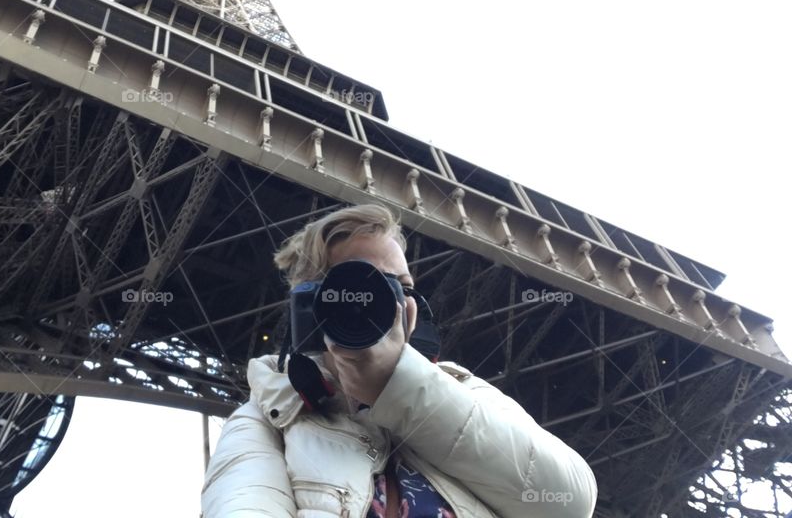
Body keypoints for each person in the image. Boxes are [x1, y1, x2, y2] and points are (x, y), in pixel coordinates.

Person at [201, 204, 597, 517]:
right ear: (309, 307)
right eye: (362, 286)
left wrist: (403, 387)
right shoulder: (264, 418)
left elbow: (568, 503)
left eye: (401, 287)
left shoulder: (463, 388)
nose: (387, 302)